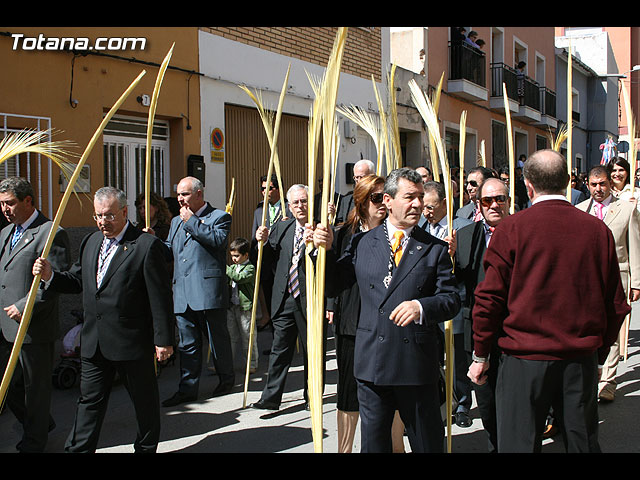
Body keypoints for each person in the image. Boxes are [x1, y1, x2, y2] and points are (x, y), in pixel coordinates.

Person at [468, 149, 631, 453]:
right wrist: (599, 352)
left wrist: (481, 356)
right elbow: (616, 304)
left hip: (522, 361)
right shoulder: (597, 230)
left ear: (527, 185)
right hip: (577, 357)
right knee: (581, 444)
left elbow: (489, 300)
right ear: (568, 182)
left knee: (518, 445)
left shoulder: (511, 230)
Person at [315, 167, 461, 453]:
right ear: (388, 200)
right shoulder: (362, 242)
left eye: (420, 197)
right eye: (410, 197)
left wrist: (421, 306)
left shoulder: (434, 249)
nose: (418, 204)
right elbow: (334, 285)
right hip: (373, 364)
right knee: (375, 445)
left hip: (415, 365)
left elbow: (451, 299)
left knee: (427, 444)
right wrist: (326, 250)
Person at [33, 186, 175, 453]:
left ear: (123, 212)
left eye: (109, 216)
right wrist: (50, 276)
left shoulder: (145, 246)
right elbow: (77, 280)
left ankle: (145, 448)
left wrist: (163, 340)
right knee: (89, 402)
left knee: (144, 403)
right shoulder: (90, 242)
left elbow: (160, 297)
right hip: (94, 340)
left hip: (131, 342)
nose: (103, 222)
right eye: (98, 216)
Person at [0, 177, 71, 452]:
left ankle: (34, 440)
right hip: (5, 326)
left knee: (34, 389)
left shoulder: (50, 233)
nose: (5, 209)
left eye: (10, 203)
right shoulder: (6, 233)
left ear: (28, 201)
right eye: (2, 203)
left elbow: (55, 282)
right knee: (10, 386)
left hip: (33, 328)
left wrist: (24, 304)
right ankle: (41, 423)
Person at [161, 176, 235, 407]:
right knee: (187, 344)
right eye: (179, 194)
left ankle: (226, 379)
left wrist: (192, 221)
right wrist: (151, 241)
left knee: (217, 339)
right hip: (182, 292)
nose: (180, 199)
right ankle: (188, 388)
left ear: (199, 194)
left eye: (184, 194)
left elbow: (218, 241)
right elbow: (169, 249)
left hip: (207, 290)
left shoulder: (219, 217)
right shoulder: (175, 222)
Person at [326, 174, 387, 452]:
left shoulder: (396, 233)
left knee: (390, 391)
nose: (383, 203)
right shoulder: (342, 235)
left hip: (387, 325)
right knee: (349, 391)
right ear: (362, 202)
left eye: (387, 196)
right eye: (376, 198)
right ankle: (345, 449)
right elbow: (331, 282)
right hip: (352, 323)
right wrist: (323, 251)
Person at [250, 184, 319, 411]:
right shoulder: (282, 228)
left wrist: (316, 247)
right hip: (285, 298)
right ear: (289, 206)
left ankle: (312, 397)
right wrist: (258, 242)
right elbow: (263, 261)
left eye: (304, 201)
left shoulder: (322, 229)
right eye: (296, 202)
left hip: (310, 300)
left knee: (311, 352)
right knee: (279, 350)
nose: (300, 206)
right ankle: (270, 398)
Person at [455, 177, 510, 452]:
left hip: (514, 332)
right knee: (486, 401)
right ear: (479, 204)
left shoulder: (521, 232)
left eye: (500, 199)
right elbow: (456, 284)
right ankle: (495, 444)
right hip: (476, 333)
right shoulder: (465, 236)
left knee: (513, 401)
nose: (494, 205)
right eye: (487, 200)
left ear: (508, 201)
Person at [576, 165, 640, 402]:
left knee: (612, 329)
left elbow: (634, 244)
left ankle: (608, 381)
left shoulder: (626, 209)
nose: (598, 189)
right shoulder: (580, 210)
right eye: (593, 185)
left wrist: (637, 281)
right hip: (586, 281)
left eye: (602, 184)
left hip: (617, 276)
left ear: (609, 183)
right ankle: (592, 375)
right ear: (588, 185)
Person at [420, 180, 473, 428]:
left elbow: (472, 269)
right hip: (426, 305)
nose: (426, 212)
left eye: (431, 207)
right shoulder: (420, 226)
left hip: (454, 303)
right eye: (424, 207)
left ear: (444, 204)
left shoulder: (464, 228)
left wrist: (456, 255)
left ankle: (462, 403)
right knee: (430, 358)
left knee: (456, 359)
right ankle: (439, 402)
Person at [226, 237, 258, 374]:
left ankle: (252, 363)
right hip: (232, 305)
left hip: (245, 307)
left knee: (247, 336)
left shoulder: (250, 268)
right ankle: (226, 363)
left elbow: (239, 278)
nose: (234, 259)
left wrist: (226, 269)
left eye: (237, 256)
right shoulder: (233, 267)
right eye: (232, 256)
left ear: (246, 255)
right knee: (230, 336)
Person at [336, 159, 376, 225]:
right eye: (356, 177)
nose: (359, 181)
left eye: (362, 177)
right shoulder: (346, 200)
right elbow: (339, 224)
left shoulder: (379, 198)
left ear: (372, 176)